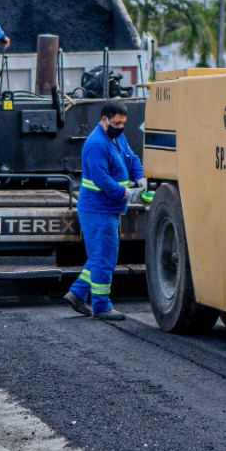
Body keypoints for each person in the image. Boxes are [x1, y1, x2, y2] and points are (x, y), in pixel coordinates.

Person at [63, 100, 145, 321]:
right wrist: (124, 193)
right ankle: (101, 305)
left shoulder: (117, 138)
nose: (121, 126)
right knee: (105, 258)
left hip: (106, 208)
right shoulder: (96, 144)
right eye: (117, 122)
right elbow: (101, 179)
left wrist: (140, 177)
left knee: (99, 256)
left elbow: (132, 157)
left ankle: (78, 293)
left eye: (123, 123)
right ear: (104, 120)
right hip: (98, 210)